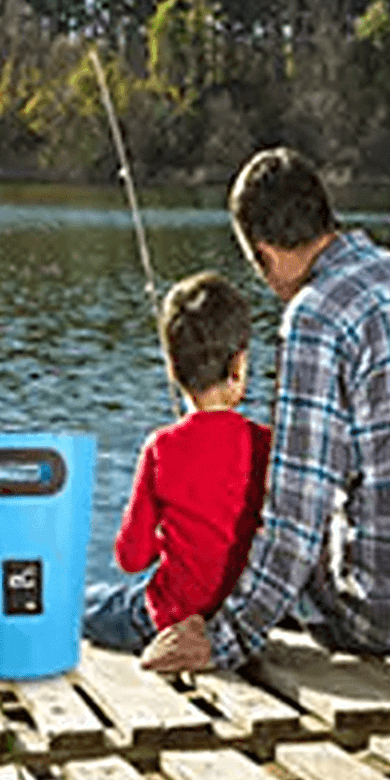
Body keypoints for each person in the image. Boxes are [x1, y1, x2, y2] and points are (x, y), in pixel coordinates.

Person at [141, 147, 390, 672]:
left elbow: (296, 515)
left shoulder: (315, 316)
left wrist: (226, 639)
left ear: (263, 254)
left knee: (268, 521)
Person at [82, 270, 272, 654]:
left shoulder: (162, 447)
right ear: (239, 366)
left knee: (80, 602)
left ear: (172, 369)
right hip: (237, 620)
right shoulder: (265, 444)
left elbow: (131, 558)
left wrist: (166, 539)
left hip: (165, 620)